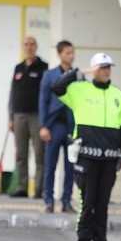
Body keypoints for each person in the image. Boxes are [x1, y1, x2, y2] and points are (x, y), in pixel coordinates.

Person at [51, 53, 121, 241]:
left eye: (108, 67)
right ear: (93, 69)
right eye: (102, 67)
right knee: (87, 203)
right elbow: (56, 87)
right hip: (86, 157)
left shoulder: (117, 94)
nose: (106, 70)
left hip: (110, 159)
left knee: (102, 205)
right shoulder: (79, 89)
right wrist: (80, 72)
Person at [39, 40, 76, 213]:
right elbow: (43, 101)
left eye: (72, 52)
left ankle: (66, 201)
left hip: (72, 127)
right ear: (60, 54)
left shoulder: (78, 75)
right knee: (50, 166)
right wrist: (43, 126)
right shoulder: (49, 75)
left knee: (71, 167)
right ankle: (48, 201)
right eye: (68, 53)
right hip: (54, 126)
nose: (71, 56)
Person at [8, 36, 48, 198]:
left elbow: (46, 94)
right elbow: (12, 94)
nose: (29, 47)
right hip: (19, 116)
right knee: (20, 154)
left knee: (39, 154)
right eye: (26, 44)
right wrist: (10, 117)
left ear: (36, 47)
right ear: (23, 47)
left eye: (32, 44)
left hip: (37, 117)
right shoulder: (18, 68)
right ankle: (22, 187)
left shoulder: (43, 67)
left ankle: (39, 188)